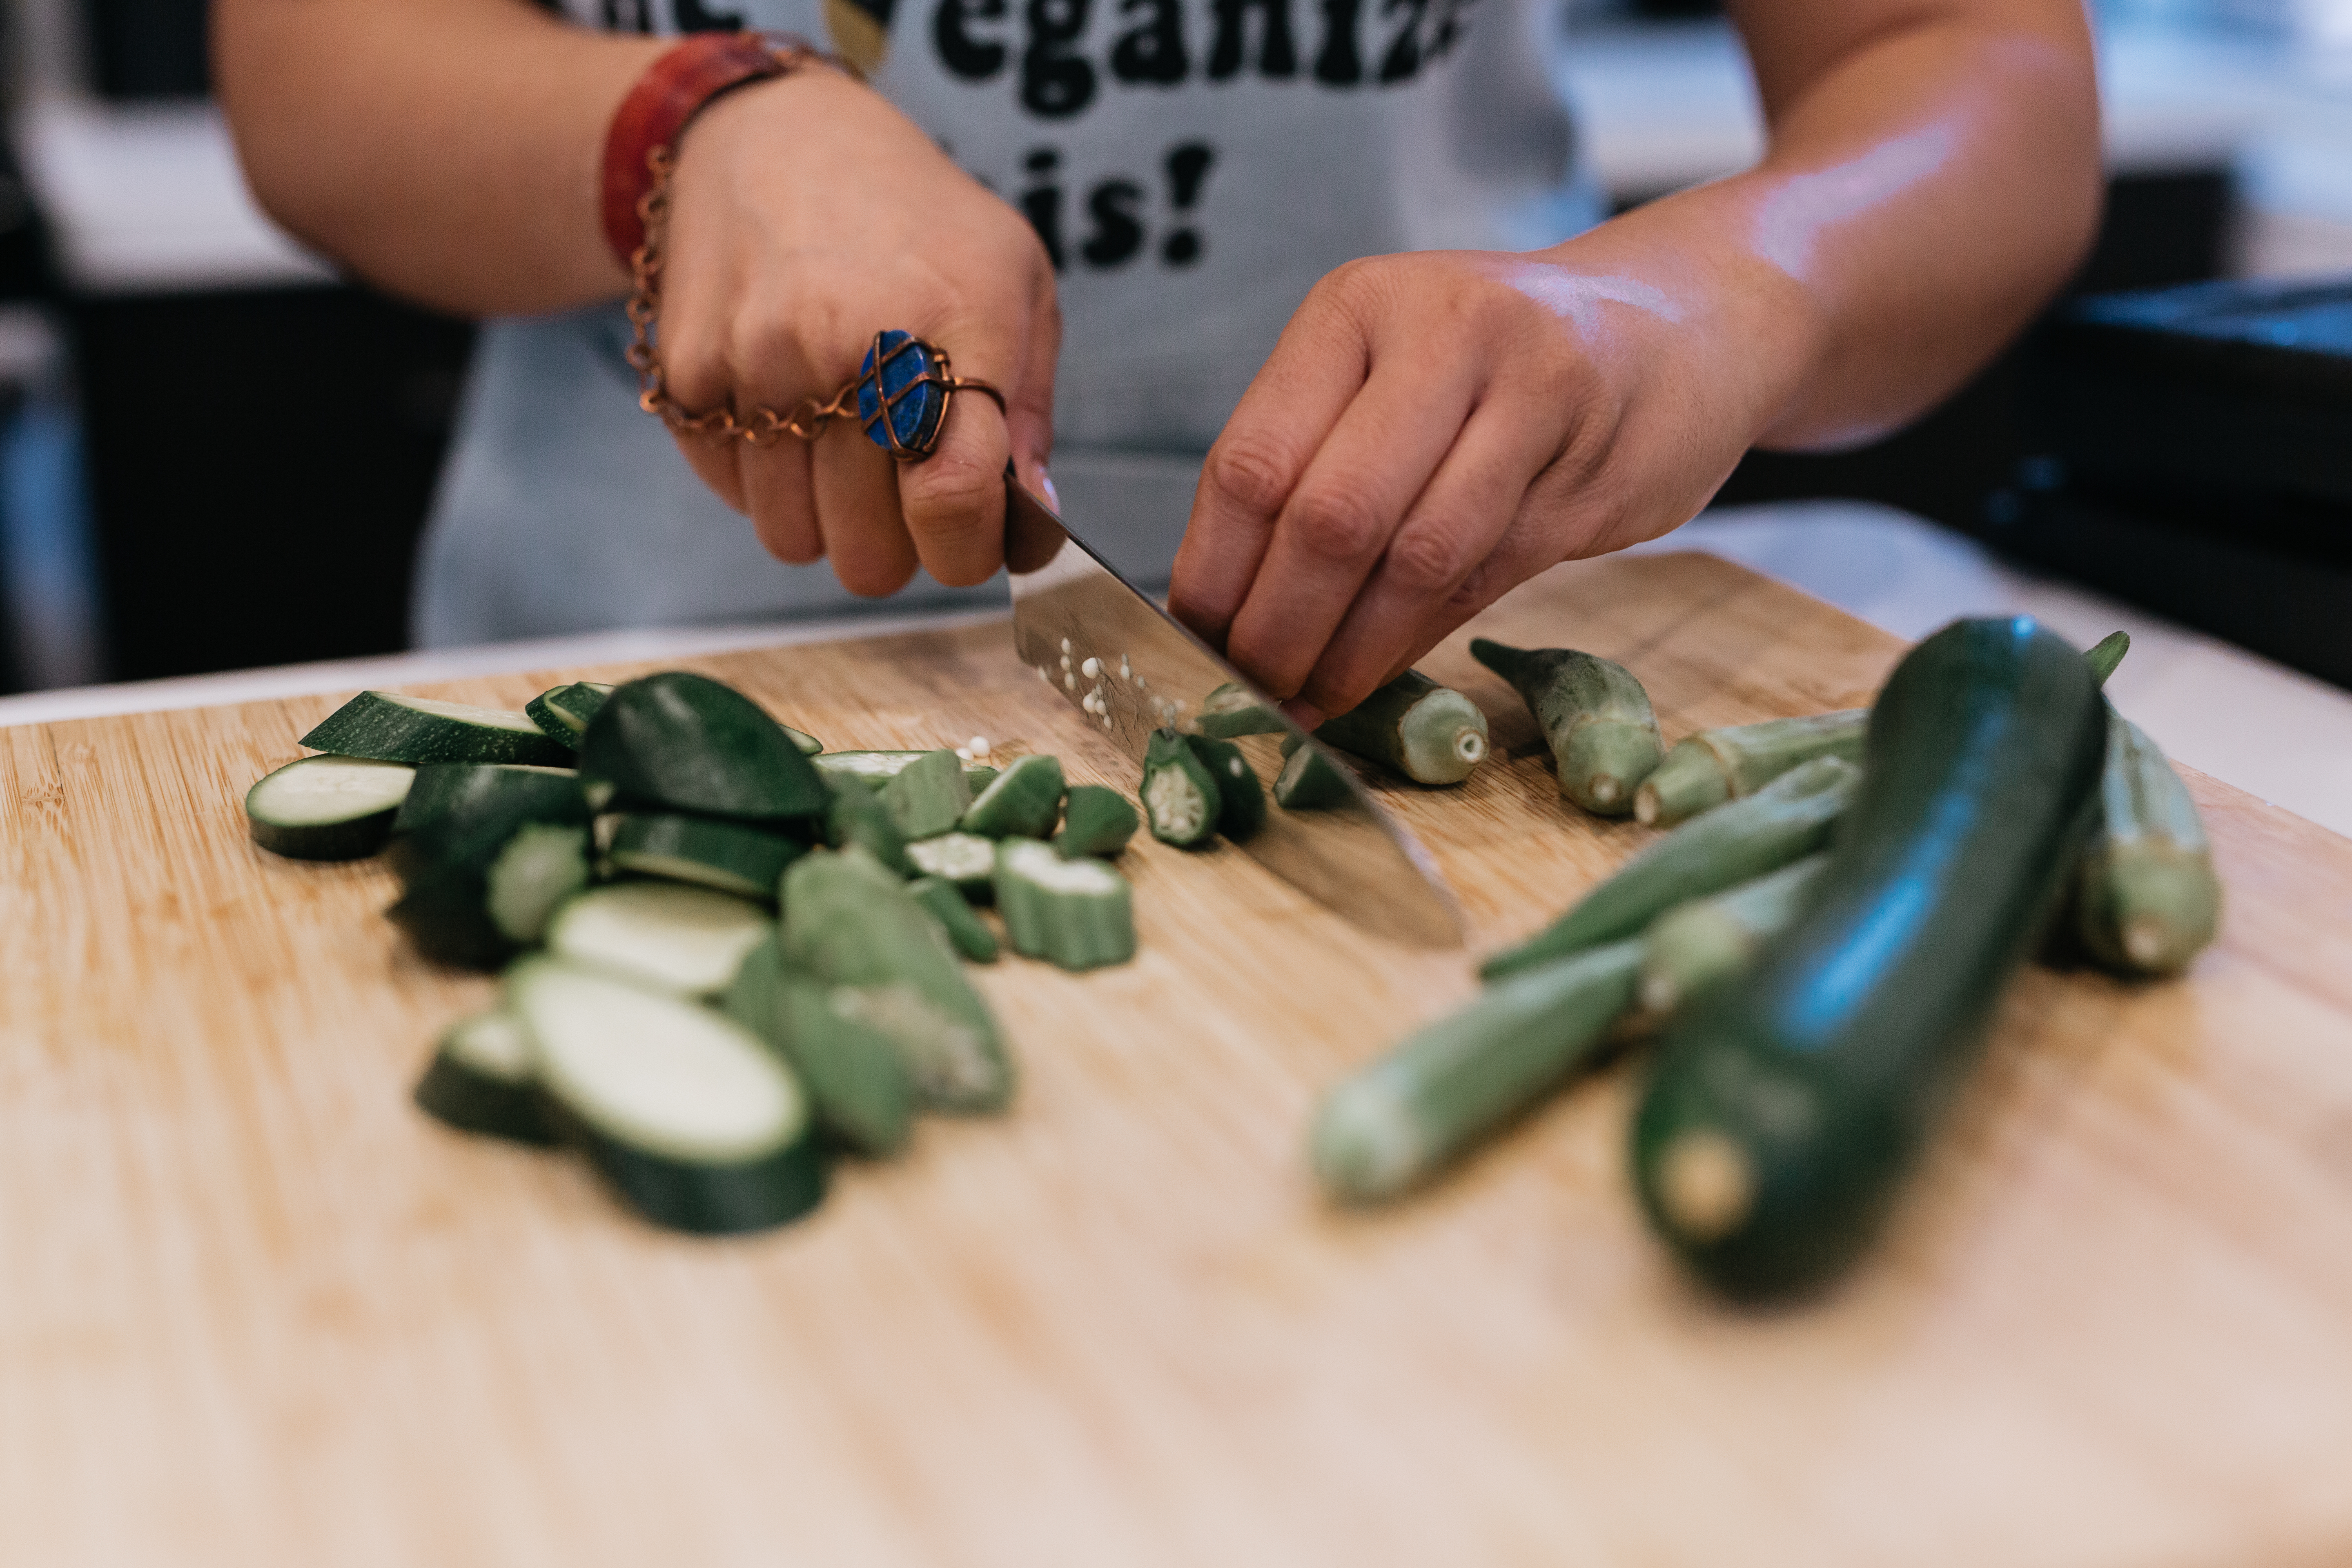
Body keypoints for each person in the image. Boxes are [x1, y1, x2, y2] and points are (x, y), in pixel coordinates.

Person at [217, 0, 2097, 725]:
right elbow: (310, 73)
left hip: (1479, 685)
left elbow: (1971, 69)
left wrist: (1708, 296)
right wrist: (685, 123)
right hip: (629, 675)